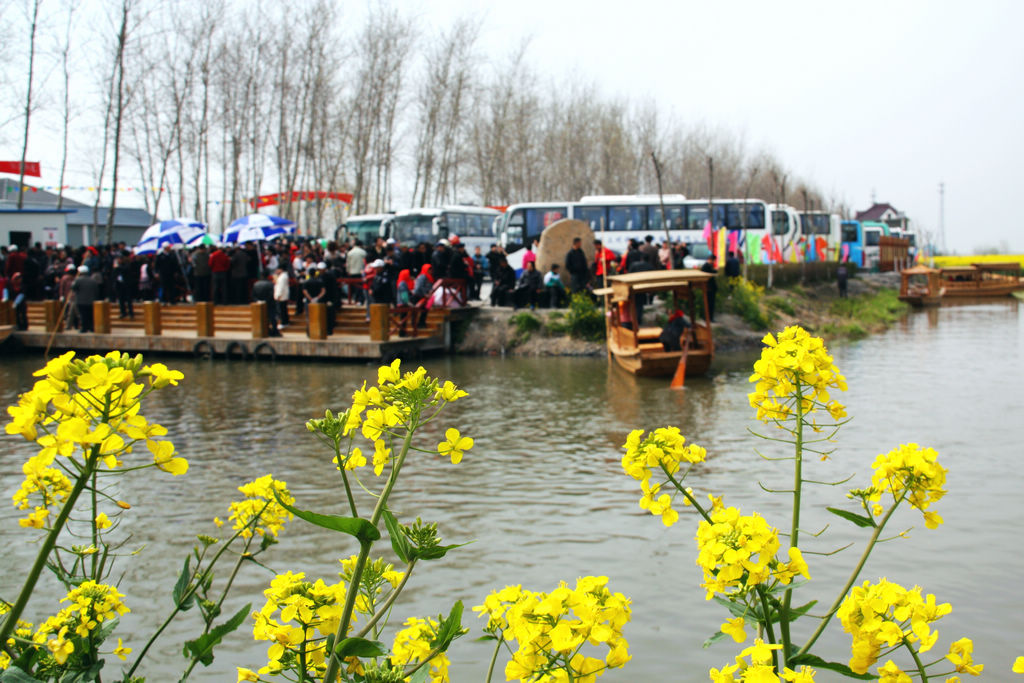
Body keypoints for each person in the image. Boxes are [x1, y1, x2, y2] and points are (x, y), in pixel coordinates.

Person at [71, 265, 100, 333]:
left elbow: (73, 287)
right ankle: (91, 327)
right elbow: (96, 290)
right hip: (91, 300)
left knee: (83, 315)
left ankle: (84, 328)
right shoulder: (92, 280)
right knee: (90, 315)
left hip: (81, 301)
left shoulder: (78, 280)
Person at [252, 270, 281, 336]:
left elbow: (253, 295)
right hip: (270, 304)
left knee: (262, 318)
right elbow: (271, 295)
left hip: (259, 305)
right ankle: (275, 331)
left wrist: (258, 301)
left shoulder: (256, 284)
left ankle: (264, 331)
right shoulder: (270, 284)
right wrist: (266, 301)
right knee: (272, 318)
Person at [700, 257, 718, 322]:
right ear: (711, 260)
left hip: (709, 288)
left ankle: (707, 317)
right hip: (709, 288)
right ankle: (709, 317)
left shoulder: (706, 266)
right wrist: (715, 270)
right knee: (709, 304)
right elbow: (712, 273)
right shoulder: (707, 266)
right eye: (713, 261)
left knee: (708, 303)